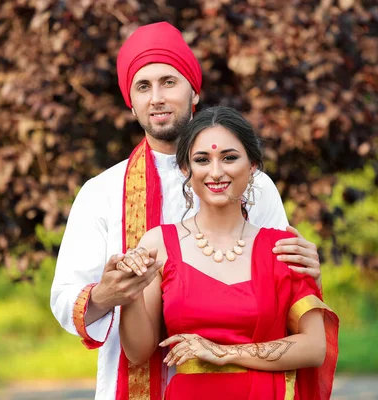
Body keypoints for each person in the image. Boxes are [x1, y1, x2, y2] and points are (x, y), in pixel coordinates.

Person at [50, 22, 323, 400]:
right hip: (130, 380)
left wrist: (308, 269)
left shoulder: (256, 187)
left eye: (168, 82)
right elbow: (64, 297)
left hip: (245, 381)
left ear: (194, 90)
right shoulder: (101, 193)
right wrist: (106, 295)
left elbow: (283, 289)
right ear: (130, 102)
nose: (157, 97)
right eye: (143, 87)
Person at [118, 106, 339, 399]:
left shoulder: (280, 247)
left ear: (253, 166)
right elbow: (138, 352)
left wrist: (224, 353)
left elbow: (314, 348)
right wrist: (127, 291)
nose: (216, 172)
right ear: (186, 169)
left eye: (229, 158)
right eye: (202, 160)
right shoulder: (159, 244)